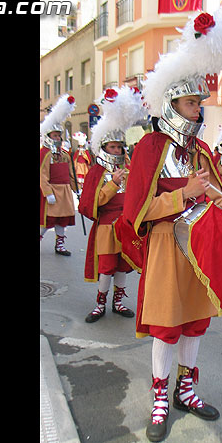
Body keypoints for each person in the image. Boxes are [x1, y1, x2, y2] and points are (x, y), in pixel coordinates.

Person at [114, 7, 222, 443]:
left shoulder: (198, 149)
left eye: (199, 102)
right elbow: (138, 211)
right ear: (172, 103)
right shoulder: (150, 146)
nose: (198, 109)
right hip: (165, 247)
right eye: (190, 102)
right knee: (167, 325)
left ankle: (186, 389)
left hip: (199, 247)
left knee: (196, 322)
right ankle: (160, 397)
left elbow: (215, 195)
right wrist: (184, 194)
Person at [79, 86, 148, 324]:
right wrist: (112, 185)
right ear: (104, 147)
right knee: (106, 267)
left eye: (119, 147)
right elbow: (91, 204)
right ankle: (100, 304)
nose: (117, 150)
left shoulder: (127, 169)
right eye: (112, 147)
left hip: (125, 226)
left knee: (123, 266)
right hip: (107, 228)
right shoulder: (97, 171)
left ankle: (118, 302)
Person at [40, 94, 78, 256]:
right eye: (54, 136)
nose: (57, 138)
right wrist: (48, 193)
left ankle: (60, 244)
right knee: (47, 220)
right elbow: (42, 175)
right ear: (48, 137)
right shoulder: (44, 154)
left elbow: (71, 173)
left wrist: (77, 189)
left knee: (62, 220)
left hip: (64, 192)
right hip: (52, 191)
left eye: (58, 135)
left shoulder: (64, 154)